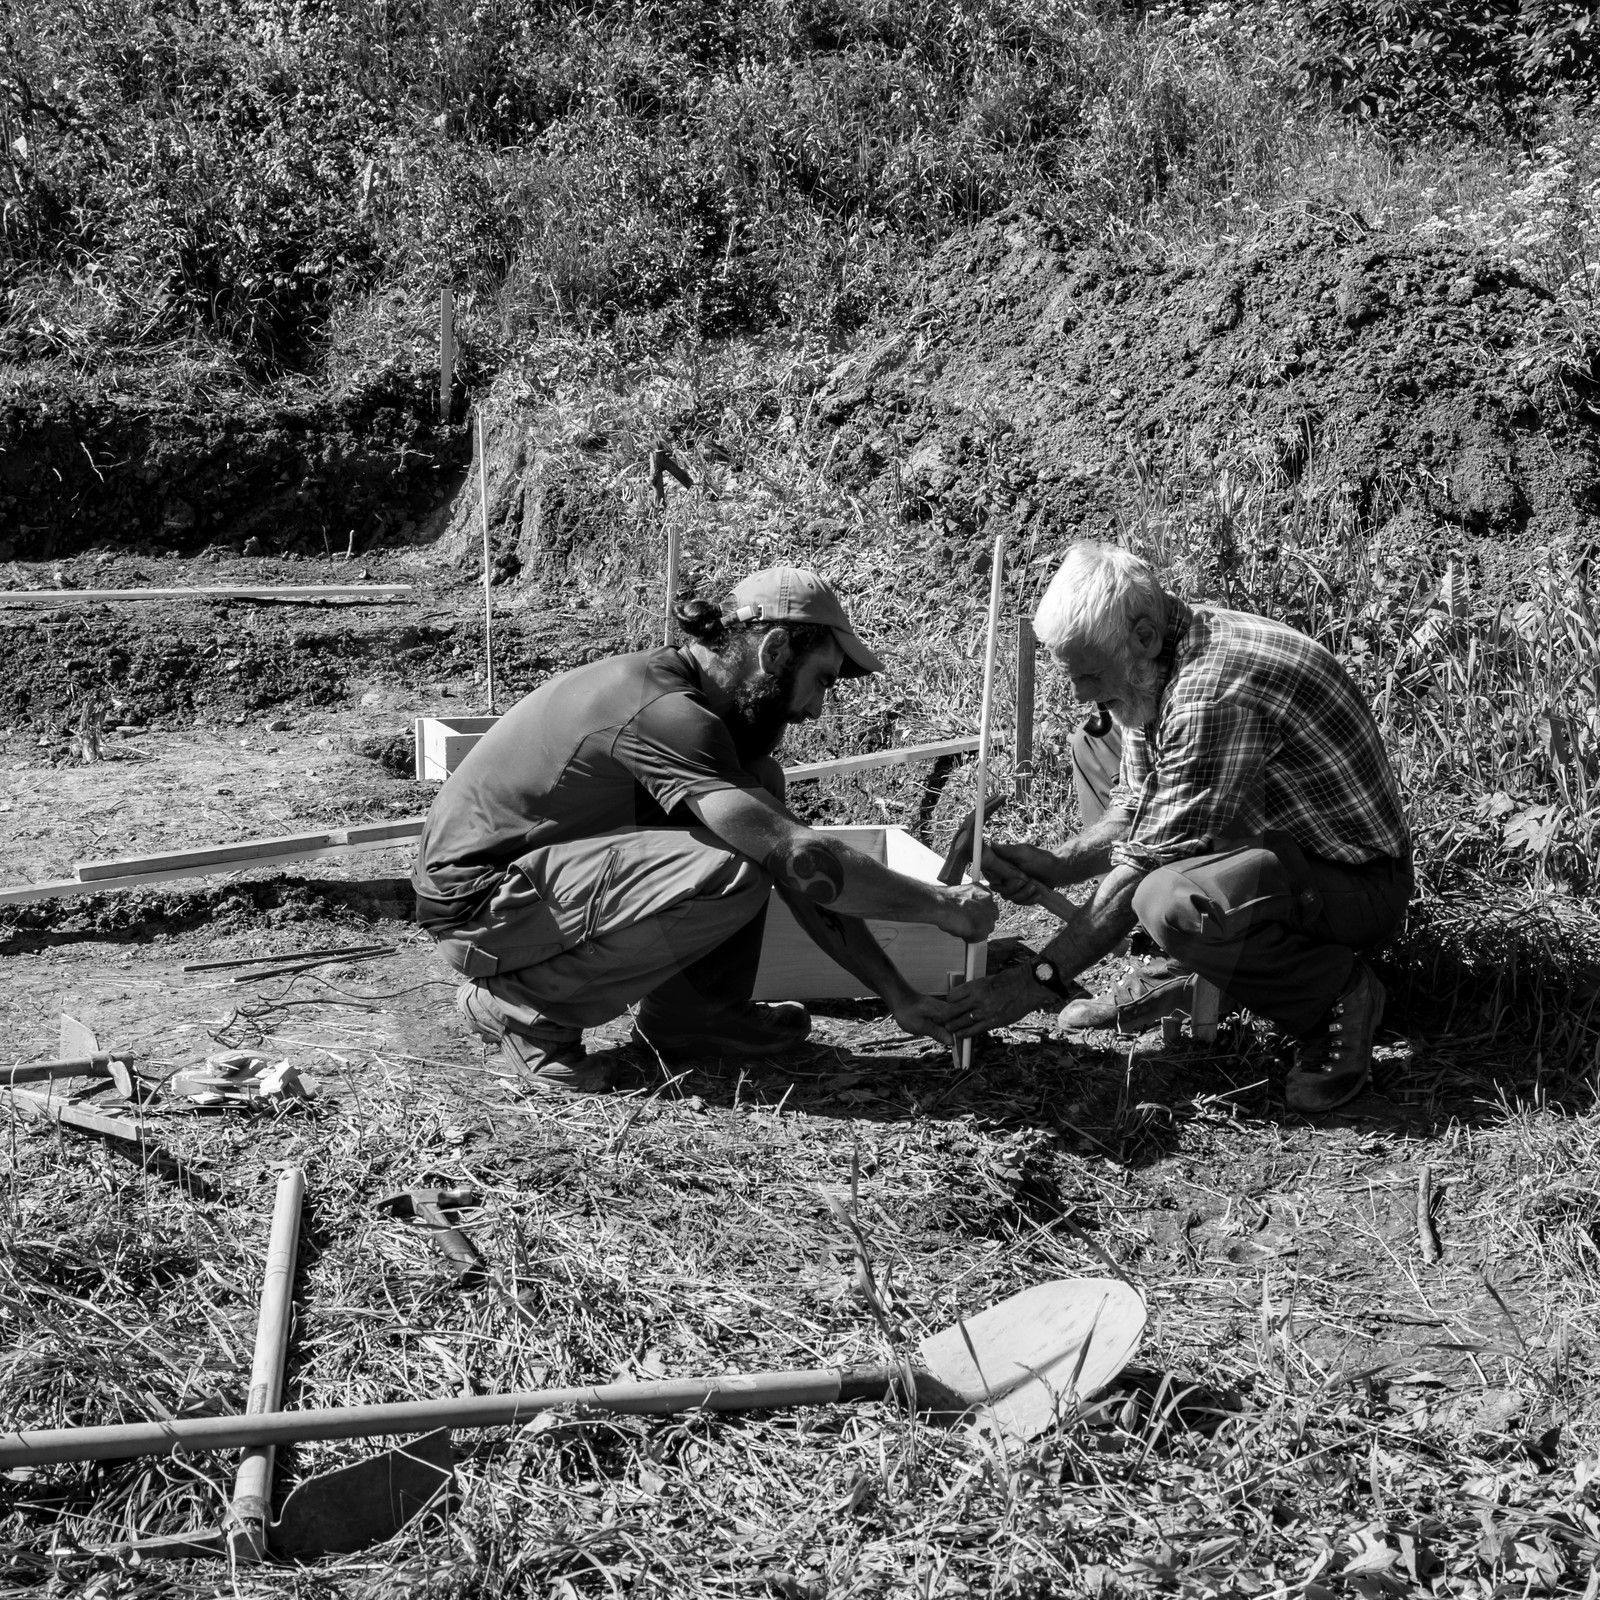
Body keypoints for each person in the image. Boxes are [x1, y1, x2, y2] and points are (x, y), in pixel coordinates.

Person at [412, 566, 996, 1092]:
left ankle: (696, 1016)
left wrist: (898, 994)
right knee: (738, 863)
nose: (817, 709)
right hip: (481, 903)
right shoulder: (666, 714)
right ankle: (518, 1009)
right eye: (821, 680)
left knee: (758, 795)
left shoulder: (695, 712)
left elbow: (801, 874)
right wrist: (941, 905)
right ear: (772, 650)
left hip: (528, 885)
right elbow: (796, 857)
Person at [947, 542, 1412, 1113]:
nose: (1082, 694)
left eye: (1090, 675)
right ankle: (1186, 966)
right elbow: (1137, 808)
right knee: (1096, 751)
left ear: (1141, 637)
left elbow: (1149, 859)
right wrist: (1056, 864)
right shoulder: (1161, 658)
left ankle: (1335, 994)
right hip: (1275, 854)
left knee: (1169, 899)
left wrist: (1034, 980)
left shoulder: (1209, 691)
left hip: (1354, 883)